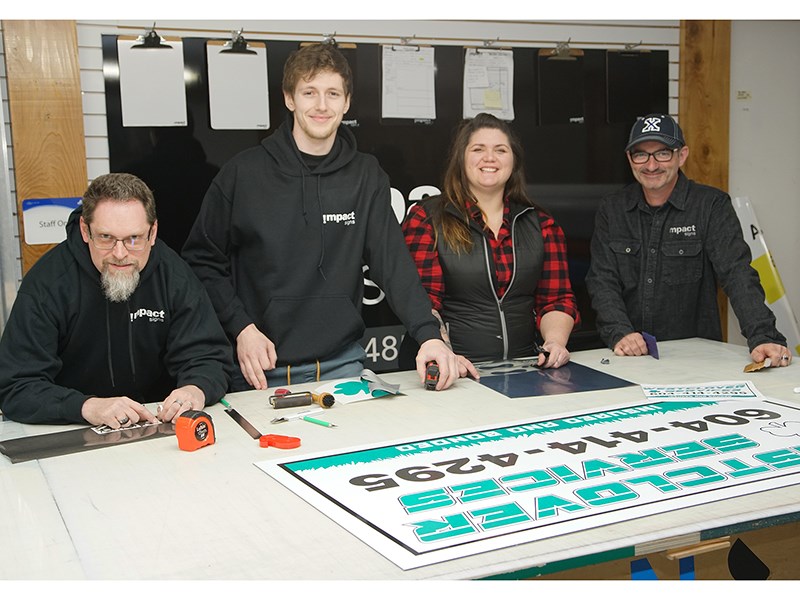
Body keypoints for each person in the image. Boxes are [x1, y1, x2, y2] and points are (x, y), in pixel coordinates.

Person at [181, 43, 459, 391]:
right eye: (309, 92)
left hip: (342, 367)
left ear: (346, 102)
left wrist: (428, 335)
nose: (322, 105)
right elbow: (202, 261)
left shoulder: (366, 175)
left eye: (332, 93)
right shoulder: (243, 173)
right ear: (289, 98)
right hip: (258, 374)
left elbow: (393, 264)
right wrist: (242, 329)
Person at [0, 173, 234, 427]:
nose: (120, 253)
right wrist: (86, 406)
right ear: (84, 230)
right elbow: (16, 387)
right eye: (106, 238)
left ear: (153, 232)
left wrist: (194, 390)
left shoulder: (174, 276)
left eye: (134, 238)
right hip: (72, 429)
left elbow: (209, 358)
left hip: (158, 425)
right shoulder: (49, 283)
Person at [586, 113, 792, 366]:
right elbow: (602, 279)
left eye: (663, 153)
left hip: (696, 357)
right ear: (630, 159)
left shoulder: (711, 205)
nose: (651, 166)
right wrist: (620, 331)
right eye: (641, 154)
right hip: (627, 354)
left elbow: (736, 273)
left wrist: (763, 335)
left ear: (681, 155)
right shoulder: (612, 209)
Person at [402, 112, 580, 369]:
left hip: (524, 368)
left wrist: (554, 342)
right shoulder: (427, 219)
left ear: (514, 161)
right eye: (478, 149)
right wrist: (443, 352)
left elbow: (557, 298)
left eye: (500, 150)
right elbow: (422, 302)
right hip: (451, 370)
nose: (490, 158)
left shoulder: (541, 223)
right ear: (461, 159)